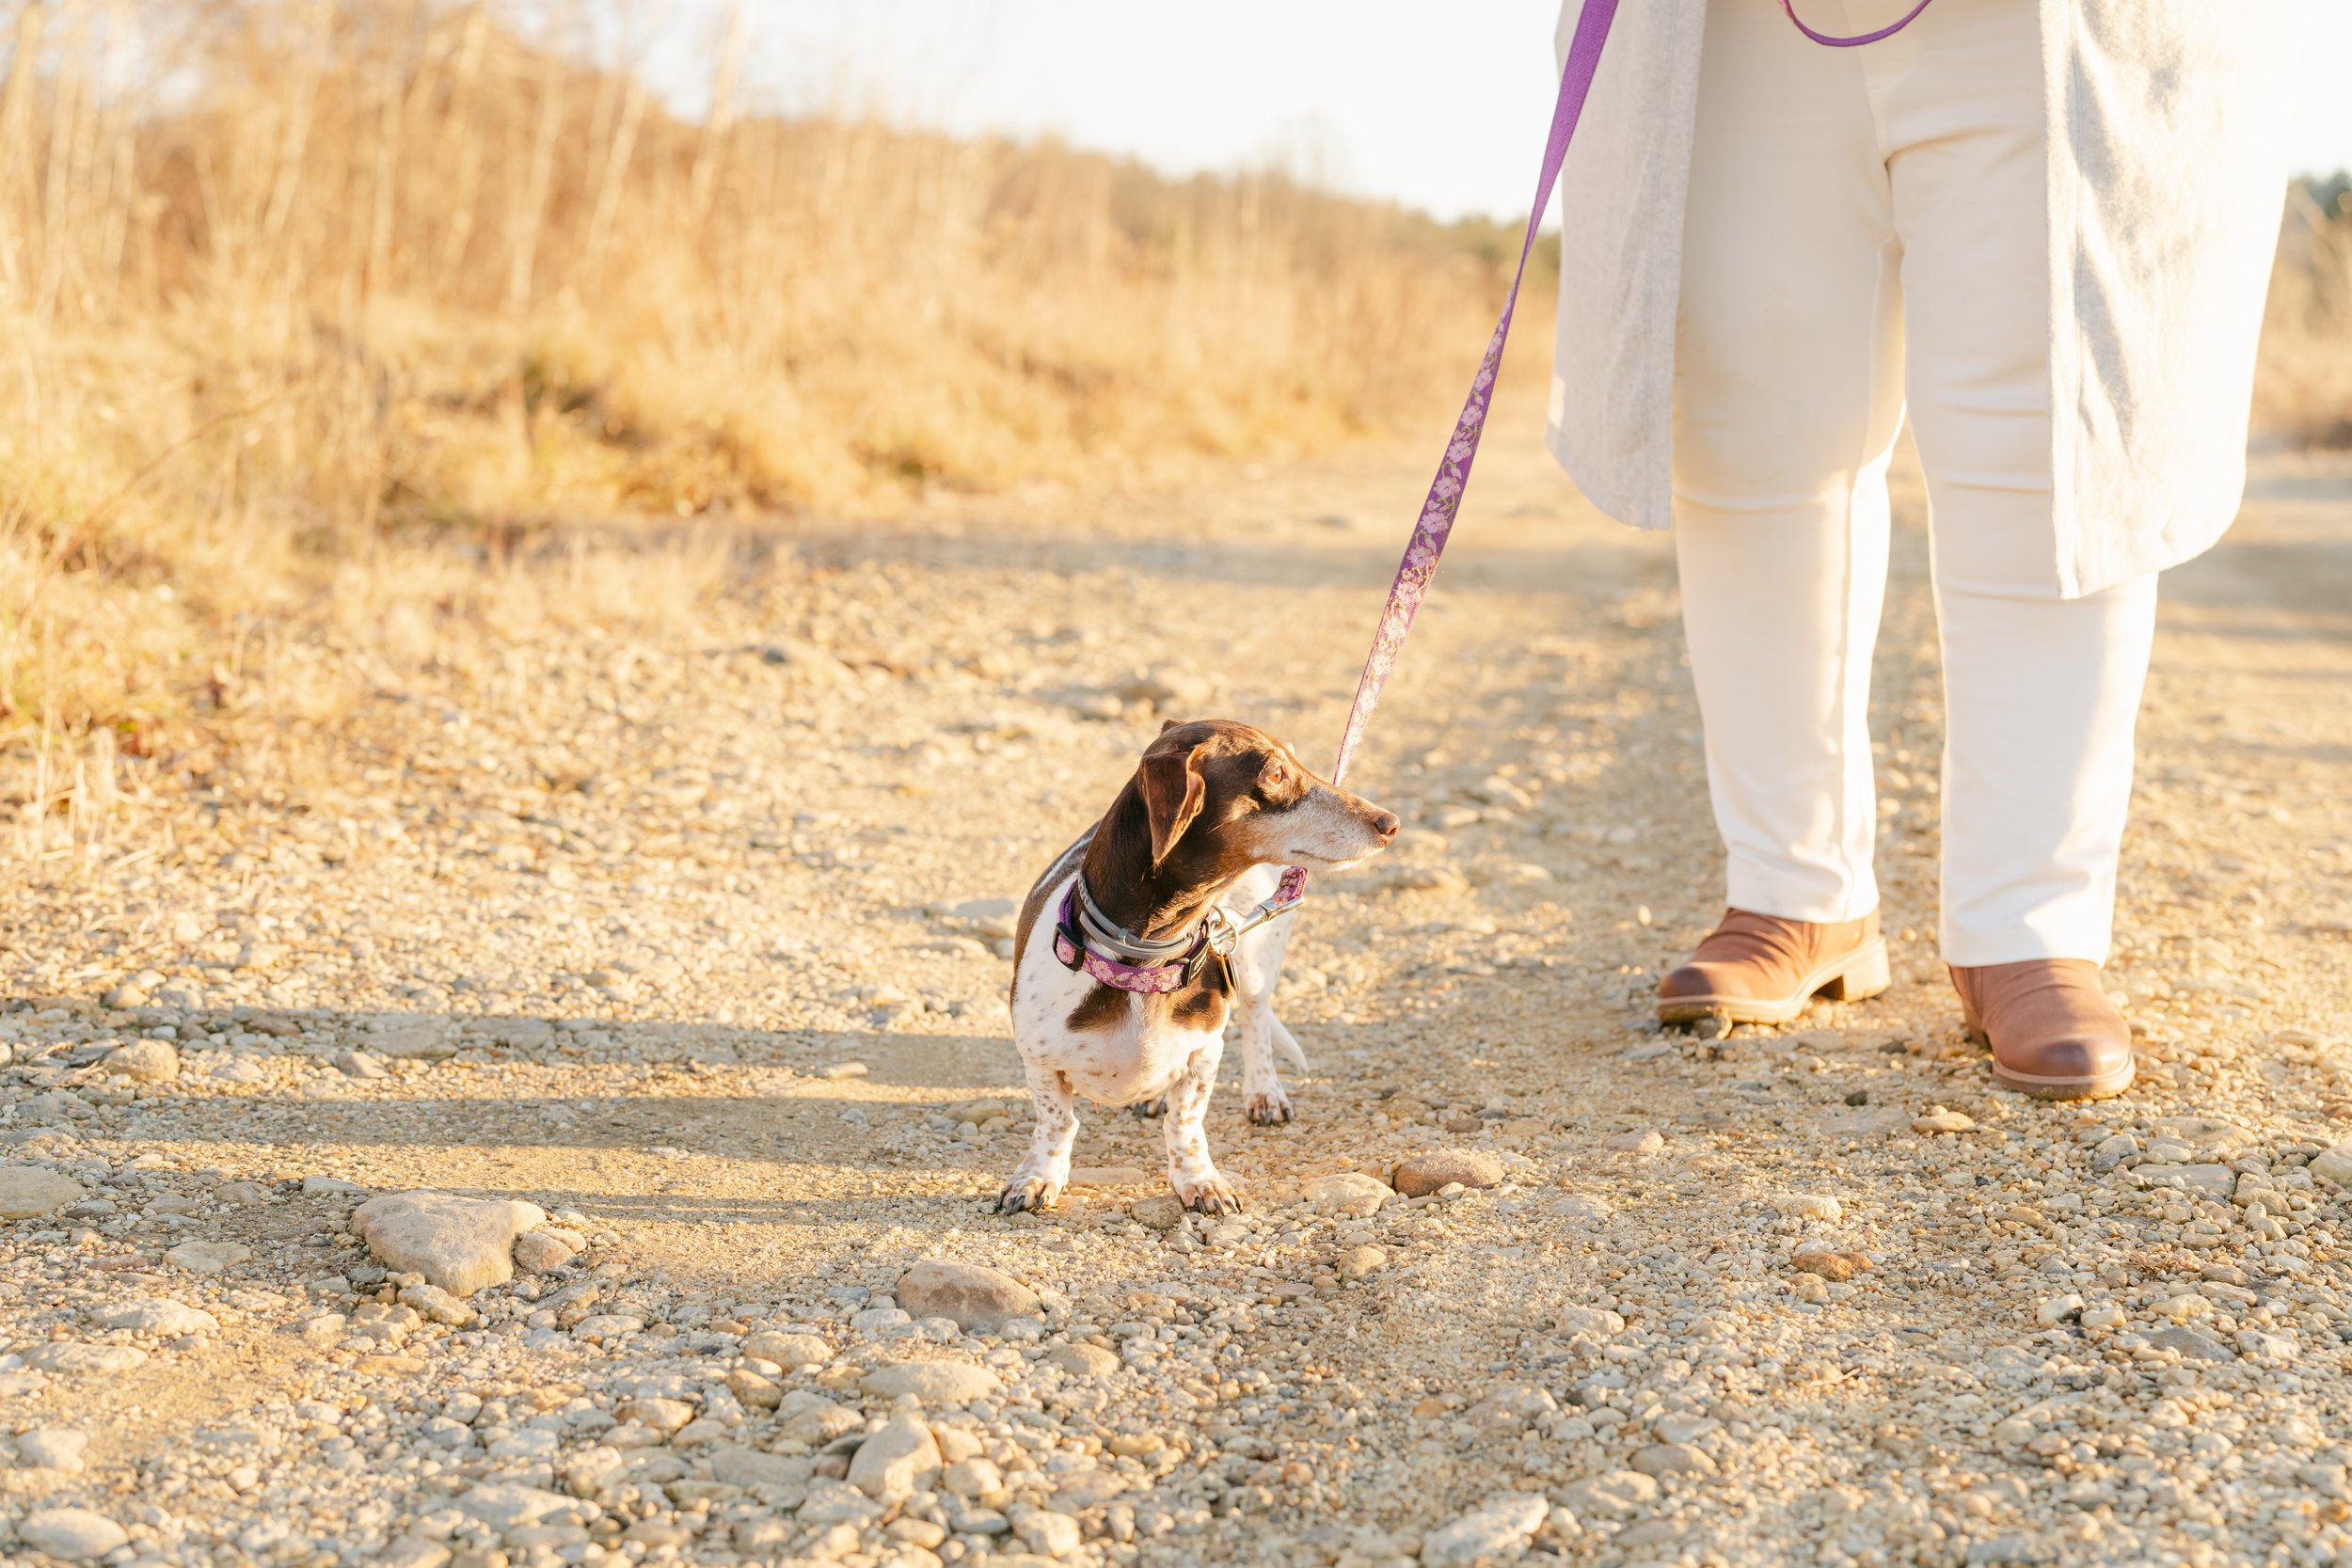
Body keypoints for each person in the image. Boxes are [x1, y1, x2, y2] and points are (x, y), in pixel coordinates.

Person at [1545, 0, 2309, 1099]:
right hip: (1727, 25)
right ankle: (1794, 891)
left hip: (2057, 24)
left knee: (2054, 428)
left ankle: (2029, 925)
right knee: (1748, 425)